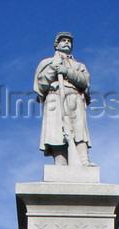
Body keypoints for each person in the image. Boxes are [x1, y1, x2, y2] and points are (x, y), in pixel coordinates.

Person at [34, 32, 95, 166]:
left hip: (74, 95)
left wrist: (66, 71)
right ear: (57, 44)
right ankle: (60, 162)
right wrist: (53, 69)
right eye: (63, 40)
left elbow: (85, 81)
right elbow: (41, 84)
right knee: (56, 130)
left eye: (69, 41)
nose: (67, 42)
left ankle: (84, 160)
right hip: (54, 96)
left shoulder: (79, 65)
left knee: (79, 129)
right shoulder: (47, 63)